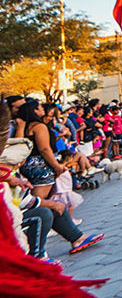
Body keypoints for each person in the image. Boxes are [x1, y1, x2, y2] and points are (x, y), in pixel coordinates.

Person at [16, 100, 104, 255]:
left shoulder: (24, 128)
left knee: (50, 203)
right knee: (41, 205)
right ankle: (37, 251)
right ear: (35, 111)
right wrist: (57, 166)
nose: (43, 108)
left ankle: (76, 237)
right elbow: (44, 148)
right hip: (42, 167)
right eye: (40, 107)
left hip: (30, 167)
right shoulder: (39, 126)